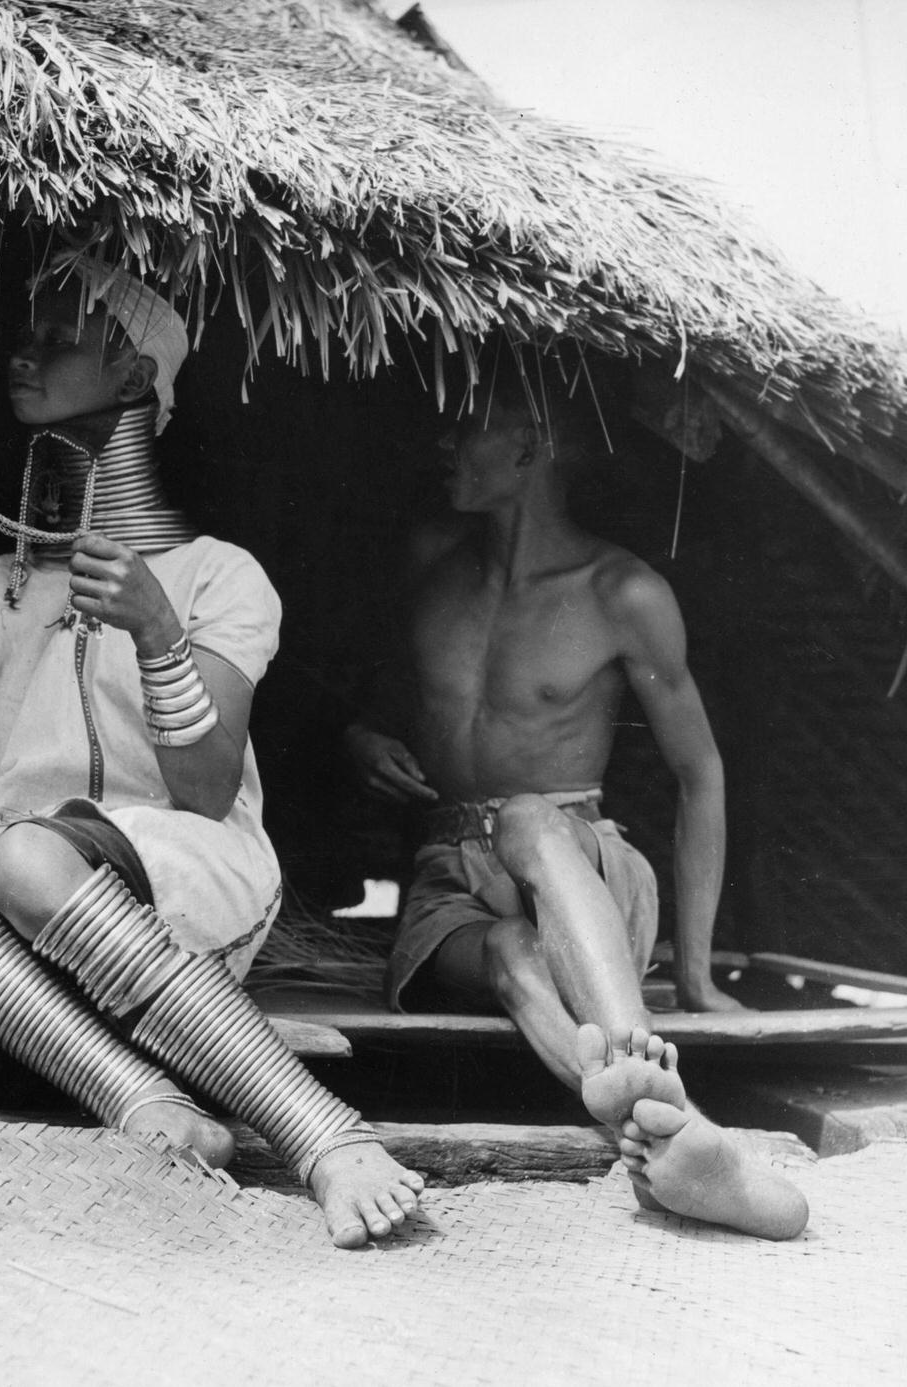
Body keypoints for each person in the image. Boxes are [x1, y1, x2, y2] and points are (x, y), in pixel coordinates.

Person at [0, 265, 424, 1248]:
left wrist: (153, 628)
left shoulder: (217, 574)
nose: (24, 350)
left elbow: (204, 787)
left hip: (183, 880)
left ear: (136, 377)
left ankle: (322, 1134)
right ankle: (138, 1093)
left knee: (26, 857)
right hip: (11, 887)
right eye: (26, 330)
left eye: (58, 336)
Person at [345, 363, 808, 1240]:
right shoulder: (431, 567)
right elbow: (383, 705)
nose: (443, 442)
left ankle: (643, 1060)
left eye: (467, 424)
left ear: (530, 446)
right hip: (451, 873)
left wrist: (699, 976)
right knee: (515, 957)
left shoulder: (620, 592)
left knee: (526, 819)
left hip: (578, 854)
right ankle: (668, 1140)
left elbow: (701, 771)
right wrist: (364, 741)